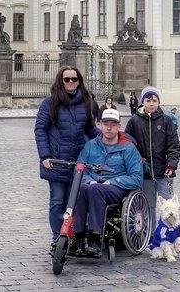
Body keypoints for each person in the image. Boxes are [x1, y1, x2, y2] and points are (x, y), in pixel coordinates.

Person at [34, 66, 101, 240]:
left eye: (74, 79)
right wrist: (45, 156)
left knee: (74, 202)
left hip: (77, 161)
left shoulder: (86, 102)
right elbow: (41, 130)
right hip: (56, 161)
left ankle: (71, 234)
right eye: (67, 79)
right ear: (60, 81)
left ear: (79, 81)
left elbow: (90, 129)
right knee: (57, 201)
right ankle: (59, 238)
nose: (71, 82)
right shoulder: (49, 103)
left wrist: (110, 136)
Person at [72, 108, 143, 255]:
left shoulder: (128, 149)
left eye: (113, 124)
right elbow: (79, 169)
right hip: (93, 184)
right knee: (81, 188)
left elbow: (136, 178)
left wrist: (113, 182)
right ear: (100, 125)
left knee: (94, 189)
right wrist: (90, 180)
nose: (109, 127)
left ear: (119, 127)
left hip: (116, 188)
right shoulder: (91, 146)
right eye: (105, 124)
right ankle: (77, 237)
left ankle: (95, 237)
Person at [124, 86, 180, 227]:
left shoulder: (166, 121)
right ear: (143, 102)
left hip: (164, 171)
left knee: (168, 207)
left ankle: (170, 235)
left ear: (158, 102)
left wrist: (171, 165)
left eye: (155, 100)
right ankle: (150, 237)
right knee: (148, 205)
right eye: (148, 100)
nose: (152, 103)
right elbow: (128, 145)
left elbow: (173, 146)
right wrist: (138, 160)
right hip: (145, 173)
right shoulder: (134, 122)